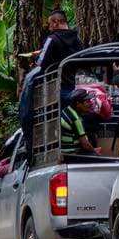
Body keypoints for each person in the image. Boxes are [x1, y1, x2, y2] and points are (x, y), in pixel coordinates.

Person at [18, 8, 83, 147]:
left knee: (45, 118)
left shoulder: (52, 39)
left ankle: (39, 145)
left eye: (49, 24)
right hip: (70, 86)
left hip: (53, 88)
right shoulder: (76, 39)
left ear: (56, 22)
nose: (49, 27)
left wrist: (36, 56)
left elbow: (41, 62)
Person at [60, 88, 99, 156]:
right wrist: (95, 152)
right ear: (78, 104)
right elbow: (85, 145)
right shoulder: (75, 118)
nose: (90, 104)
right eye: (87, 101)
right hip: (72, 154)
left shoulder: (66, 110)